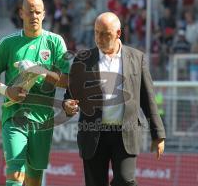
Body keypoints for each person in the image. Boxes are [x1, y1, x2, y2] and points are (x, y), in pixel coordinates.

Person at [63, 12, 166, 186]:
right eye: (96, 32)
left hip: (125, 133)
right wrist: (68, 105)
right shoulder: (82, 59)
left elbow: (148, 98)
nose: (99, 38)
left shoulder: (137, 58)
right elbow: (70, 95)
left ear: (118, 33)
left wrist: (158, 134)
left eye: (105, 34)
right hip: (93, 135)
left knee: (126, 181)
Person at [0, 0, 69, 186]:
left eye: (38, 12)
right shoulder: (8, 43)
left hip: (42, 120)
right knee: (15, 174)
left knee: (33, 179)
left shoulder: (55, 42)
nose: (34, 16)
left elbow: (68, 81)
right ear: (21, 13)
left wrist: (39, 72)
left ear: (44, 14)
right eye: (30, 12)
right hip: (14, 115)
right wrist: (7, 91)